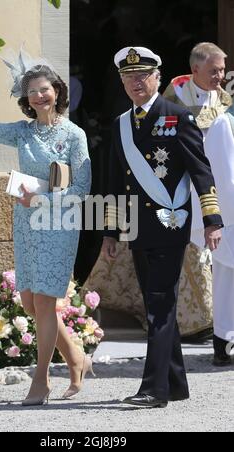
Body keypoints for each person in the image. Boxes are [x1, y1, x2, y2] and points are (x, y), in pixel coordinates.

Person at [102, 46, 223, 408]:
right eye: (128, 77)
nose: (136, 82)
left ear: (157, 77)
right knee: (158, 303)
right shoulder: (121, 124)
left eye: (143, 75)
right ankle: (175, 383)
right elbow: (113, 180)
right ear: (122, 82)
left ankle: (153, 390)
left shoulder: (177, 116)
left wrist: (212, 219)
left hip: (170, 224)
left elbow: (201, 171)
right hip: (137, 228)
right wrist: (110, 230)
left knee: (159, 304)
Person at [0, 52, 92, 406]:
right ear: (26, 100)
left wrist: (41, 202)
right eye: (32, 92)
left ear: (57, 90)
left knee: (45, 301)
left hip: (58, 222)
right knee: (30, 303)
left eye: (45, 89)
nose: (39, 96)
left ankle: (40, 380)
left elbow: (80, 189)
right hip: (26, 224)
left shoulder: (74, 135)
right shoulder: (24, 132)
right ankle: (76, 356)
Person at [163, 42, 232, 340]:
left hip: (224, 196)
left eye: (222, 70)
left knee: (226, 264)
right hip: (185, 192)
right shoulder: (173, 99)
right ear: (195, 70)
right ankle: (182, 327)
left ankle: (222, 334)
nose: (221, 76)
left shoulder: (225, 101)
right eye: (214, 70)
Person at [192, 105, 234, 366]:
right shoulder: (224, 124)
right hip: (231, 217)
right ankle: (223, 343)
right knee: (227, 283)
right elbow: (224, 175)